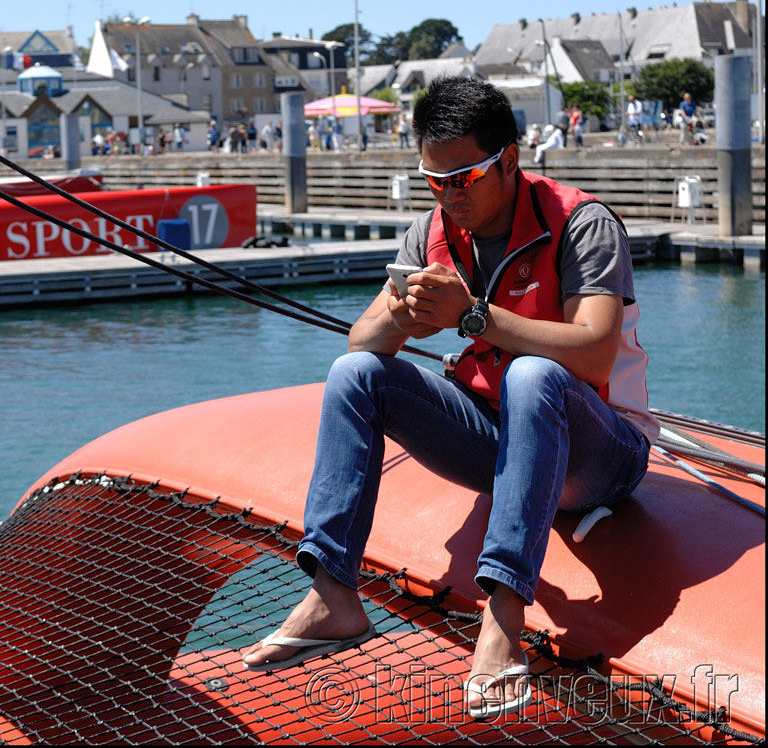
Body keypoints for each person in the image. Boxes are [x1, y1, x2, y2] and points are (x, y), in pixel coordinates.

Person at [239, 76, 657, 721]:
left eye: (461, 178)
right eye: (433, 180)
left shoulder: (582, 222)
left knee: (532, 376)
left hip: (605, 453)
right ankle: (333, 594)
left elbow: (595, 351)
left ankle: (504, 616)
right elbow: (362, 341)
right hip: (501, 440)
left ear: (509, 161)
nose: (446, 194)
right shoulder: (432, 231)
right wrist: (406, 313)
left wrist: (473, 319)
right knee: (355, 375)